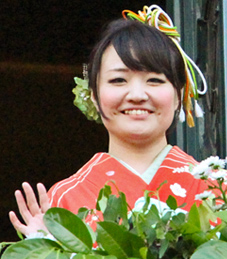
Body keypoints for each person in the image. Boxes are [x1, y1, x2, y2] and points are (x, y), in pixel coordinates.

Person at [9, 5, 208, 237]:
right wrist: (44, 248)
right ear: (94, 94)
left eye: (154, 80)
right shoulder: (61, 203)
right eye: (118, 80)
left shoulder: (221, 190)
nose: (136, 95)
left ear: (179, 95)